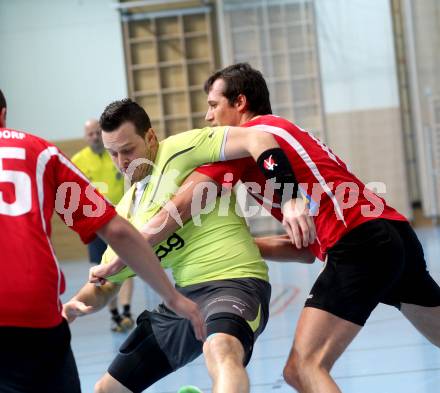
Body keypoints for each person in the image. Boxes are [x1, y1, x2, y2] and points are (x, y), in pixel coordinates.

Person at [165, 63, 440, 393]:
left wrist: (135, 245)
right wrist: (240, 248)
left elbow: (182, 205)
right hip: (392, 236)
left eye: (213, 105)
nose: (208, 117)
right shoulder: (287, 133)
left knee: (303, 368)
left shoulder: (248, 139)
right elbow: (305, 250)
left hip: (359, 242)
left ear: (239, 103)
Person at [65, 98, 314, 393]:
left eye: (128, 150)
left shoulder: (181, 150)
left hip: (234, 283)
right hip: (184, 301)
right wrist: (73, 307)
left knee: (221, 348)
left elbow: (258, 138)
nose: (122, 163)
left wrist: (290, 198)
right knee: (107, 390)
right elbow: (105, 285)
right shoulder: (127, 212)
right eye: (113, 154)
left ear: (150, 138)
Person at [0, 89, 205, 393]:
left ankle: (118, 312)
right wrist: (173, 298)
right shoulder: (38, 151)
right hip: (30, 309)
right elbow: (118, 232)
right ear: (4, 114)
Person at [72, 118, 135, 332]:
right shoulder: (78, 161)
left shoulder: (116, 155)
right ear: (85, 137)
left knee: (129, 264)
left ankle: (126, 311)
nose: (94, 137)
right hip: (97, 225)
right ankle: (115, 315)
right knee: (103, 270)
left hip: (124, 219)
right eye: (90, 133)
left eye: (97, 132)